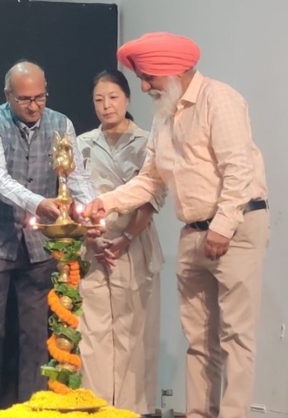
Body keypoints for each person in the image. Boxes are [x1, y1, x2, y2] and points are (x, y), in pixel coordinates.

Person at [85, 32, 269, 418]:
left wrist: (221, 227)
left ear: (173, 70)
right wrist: (106, 202)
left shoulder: (219, 100)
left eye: (149, 76)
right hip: (193, 234)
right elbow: (151, 179)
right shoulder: (164, 115)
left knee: (235, 335)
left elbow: (238, 170)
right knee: (199, 338)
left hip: (234, 229)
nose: (145, 85)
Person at [0, 60, 96, 416]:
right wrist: (39, 203)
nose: (34, 106)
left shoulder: (61, 123)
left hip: (41, 245)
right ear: (8, 95)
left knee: (37, 333)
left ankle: (33, 407)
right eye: (25, 99)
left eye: (40, 97)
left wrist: (93, 207)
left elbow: (75, 177)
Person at [76, 69, 163, 414]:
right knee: (93, 329)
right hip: (94, 242)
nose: (106, 105)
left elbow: (152, 198)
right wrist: (90, 236)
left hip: (134, 240)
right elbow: (75, 197)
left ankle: (131, 407)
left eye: (112, 97)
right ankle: (94, 406)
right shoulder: (82, 143)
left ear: (127, 99)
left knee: (133, 327)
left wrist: (127, 237)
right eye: (98, 99)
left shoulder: (147, 142)